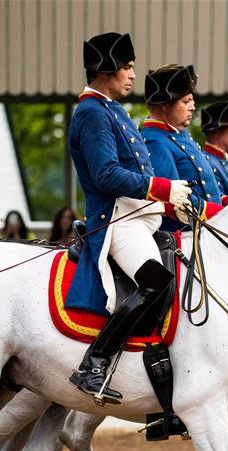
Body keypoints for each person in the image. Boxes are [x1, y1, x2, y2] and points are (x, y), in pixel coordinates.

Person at [64, 32, 194, 403]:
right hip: (117, 220)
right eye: (128, 67)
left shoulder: (111, 109)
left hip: (139, 216)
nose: (133, 75)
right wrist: (164, 189)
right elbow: (106, 175)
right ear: (107, 70)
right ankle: (95, 363)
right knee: (157, 282)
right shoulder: (91, 112)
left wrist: (170, 203)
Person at [141, 64, 225, 231]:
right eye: (186, 101)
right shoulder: (155, 142)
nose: (193, 107)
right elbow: (175, 203)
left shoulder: (180, 135)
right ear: (164, 105)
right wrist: (223, 214)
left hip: (207, 230)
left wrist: (227, 203)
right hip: (185, 237)